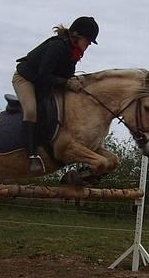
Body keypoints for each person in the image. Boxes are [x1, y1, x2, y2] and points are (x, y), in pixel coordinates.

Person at [12, 16, 99, 175]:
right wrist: (67, 83)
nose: (88, 45)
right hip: (26, 79)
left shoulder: (73, 52)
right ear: (77, 35)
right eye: (87, 41)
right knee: (31, 110)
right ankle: (32, 155)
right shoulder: (57, 47)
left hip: (44, 82)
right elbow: (43, 76)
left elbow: (64, 76)